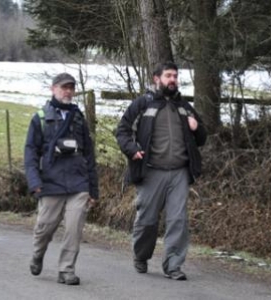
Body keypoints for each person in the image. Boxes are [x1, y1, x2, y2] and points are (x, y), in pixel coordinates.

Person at [116, 61, 206, 281]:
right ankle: (141, 255)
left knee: (178, 220)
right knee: (147, 221)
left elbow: (202, 138)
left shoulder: (184, 106)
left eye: (175, 75)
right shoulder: (142, 104)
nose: (173, 79)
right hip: (151, 171)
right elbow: (122, 131)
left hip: (179, 172)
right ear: (157, 79)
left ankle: (173, 265)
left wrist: (197, 128)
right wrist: (132, 149)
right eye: (168, 75)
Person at [24, 73, 98, 286]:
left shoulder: (78, 118)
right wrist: (34, 182)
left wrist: (93, 190)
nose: (68, 91)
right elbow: (30, 154)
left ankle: (66, 270)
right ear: (53, 88)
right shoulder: (40, 118)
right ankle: (38, 254)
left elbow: (89, 155)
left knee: (74, 228)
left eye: (71, 88)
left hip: (78, 183)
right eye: (64, 87)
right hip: (50, 182)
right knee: (44, 228)